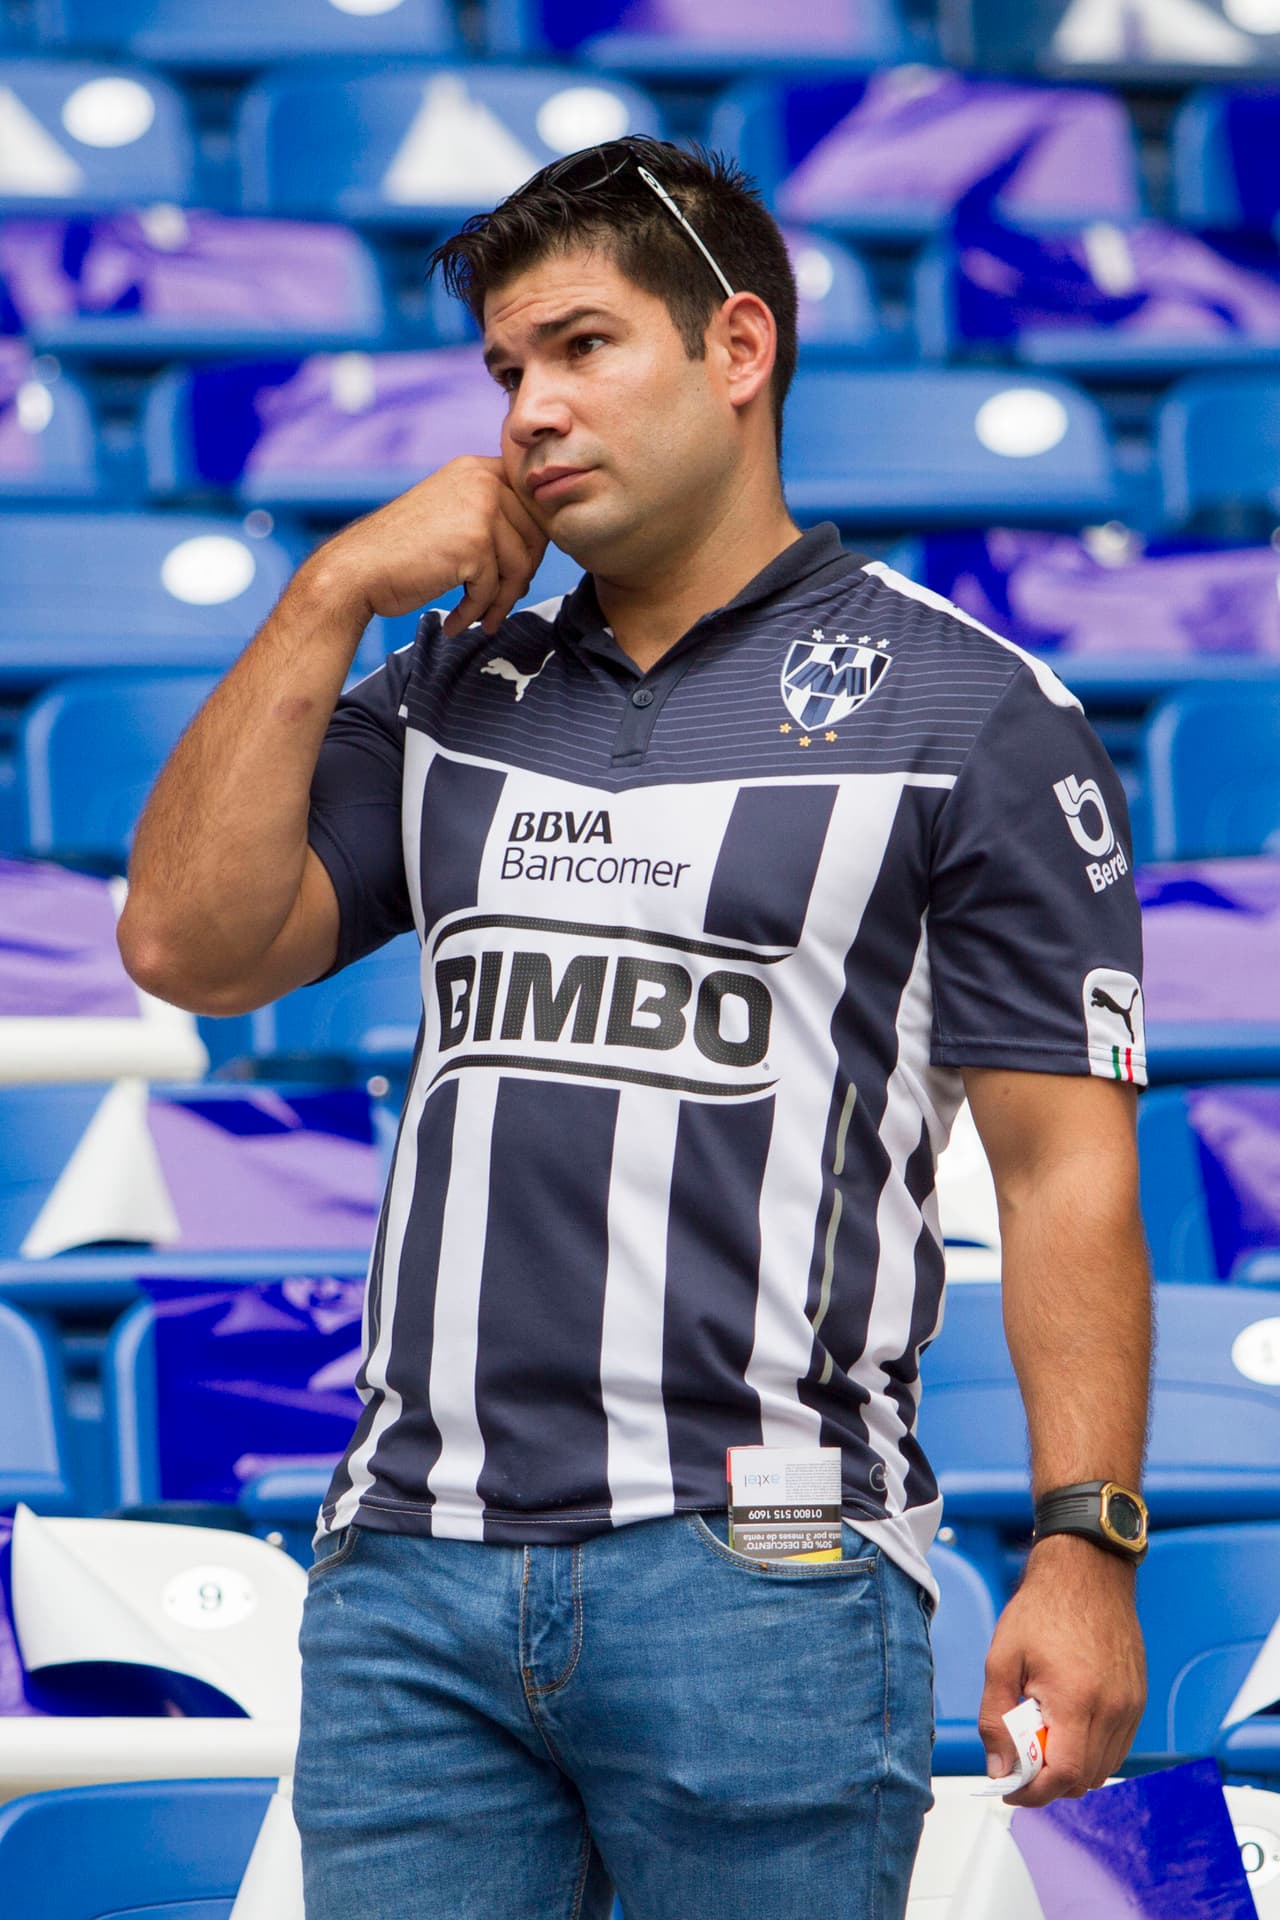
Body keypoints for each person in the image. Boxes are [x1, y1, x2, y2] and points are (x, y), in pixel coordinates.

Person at [118, 137, 1151, 1920]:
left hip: (768, 1571)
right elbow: (187, 949)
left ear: (737, 349)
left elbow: (1063, 1172)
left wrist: (1085, 1547)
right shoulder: (449, 683)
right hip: (413, 1583)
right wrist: (327, 597)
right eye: (509, 369)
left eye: (583, 346)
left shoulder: (975, 711)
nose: (530, 409)